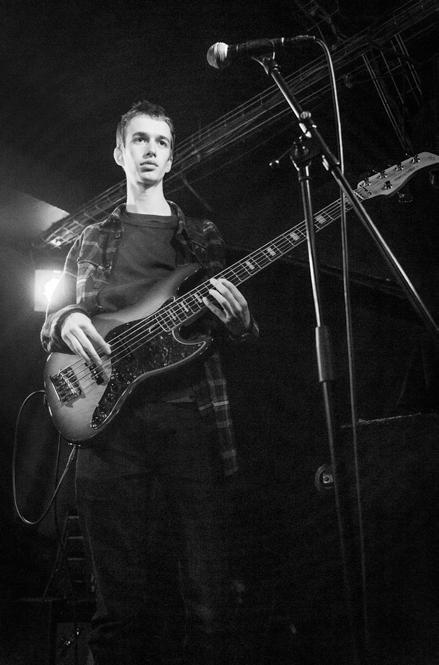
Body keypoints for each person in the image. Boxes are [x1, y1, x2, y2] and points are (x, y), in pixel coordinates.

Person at [41, 99, 258, 665]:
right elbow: (52, 320)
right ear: (120, 153)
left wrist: (241, 323)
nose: (151, 151)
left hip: (188, 419)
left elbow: (226, 329)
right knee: (118, 606)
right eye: (139, 140)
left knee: (209, 599)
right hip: (106, 426)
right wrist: (65, 319)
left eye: (161, 142)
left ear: (171, 157)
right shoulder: (91, 237)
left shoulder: (202, 237)